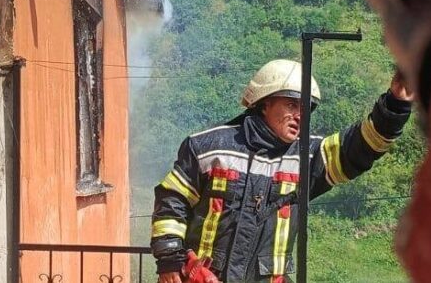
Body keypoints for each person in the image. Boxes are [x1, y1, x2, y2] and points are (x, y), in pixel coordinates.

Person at [150, 59, 414, 283]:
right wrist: (170, 259)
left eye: (306, 109)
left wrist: (395, 105)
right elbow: (172, 200)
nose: (300, 116)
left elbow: (361, 147)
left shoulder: (308, 158)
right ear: (264, 103)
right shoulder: (208, 147)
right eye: (291, 104)